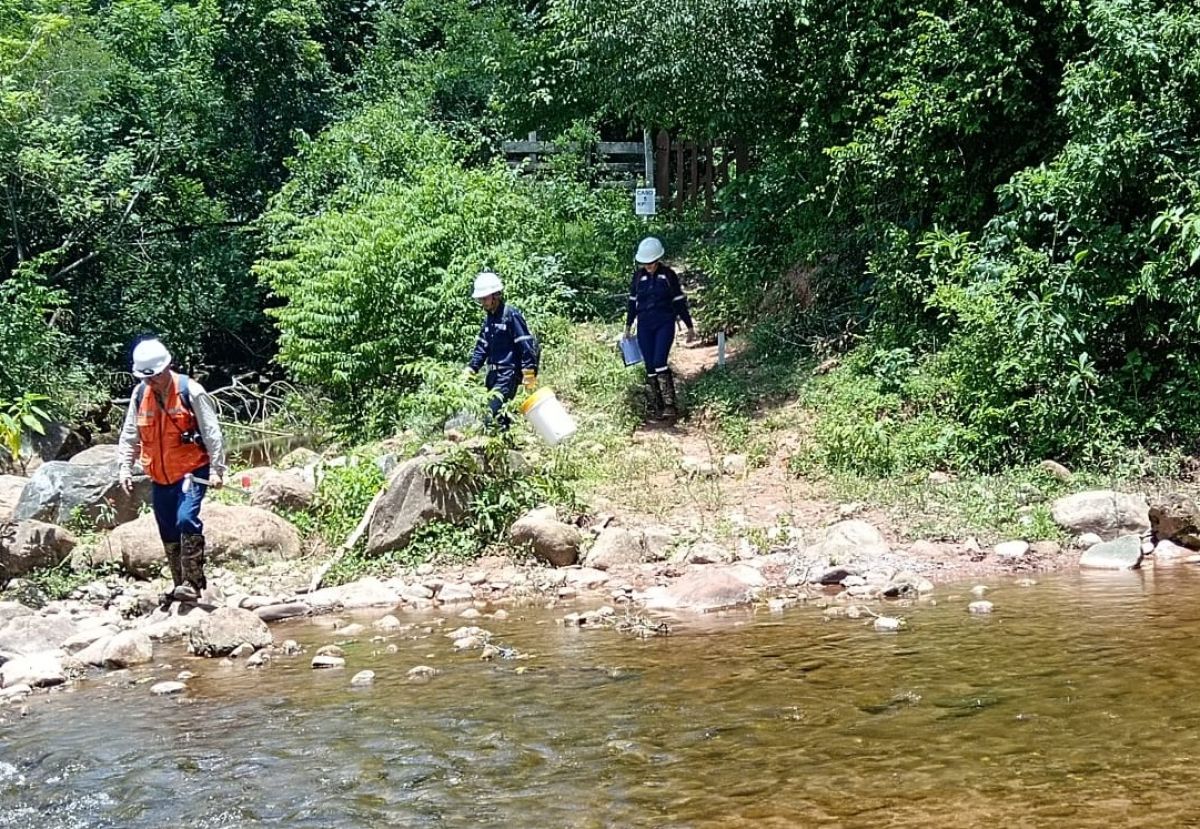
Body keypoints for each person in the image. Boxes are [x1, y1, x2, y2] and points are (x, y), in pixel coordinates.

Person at [116, 337, 226, 608]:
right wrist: (124, 467)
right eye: (146, 377)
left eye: (154, 376)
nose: (150, 382)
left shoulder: (191, 391)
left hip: (191, 471)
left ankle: (193, 582)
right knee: (166, 528)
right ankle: (180, 585)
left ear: (167, 367)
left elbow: (212, 433)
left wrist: (217, 469)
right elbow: (130, 434)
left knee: (185, 518)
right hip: (159, 476)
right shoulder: (140, 394)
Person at [624, 237, 696, 421]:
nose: (648, 266)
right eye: (645, 263)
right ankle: (658, 405)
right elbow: (632, 303)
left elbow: (679, 301)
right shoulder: (638, 278)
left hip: (664, 323)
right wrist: (628, 326)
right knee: (649, 365)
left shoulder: (668, 275)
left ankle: (670, 404)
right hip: (644, 325)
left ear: (658, 260)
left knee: (659, 361)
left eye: (651, 262)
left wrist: (689, 326)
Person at [462, 271, 540, 428]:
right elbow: (482, 347)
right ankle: (506, 442)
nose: (482, 302)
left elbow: (526, 345)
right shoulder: (489, 319)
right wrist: (471, 368)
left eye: (485, 298)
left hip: (508, 374)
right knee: (500, 419)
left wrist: (529, 372)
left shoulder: (511, 315)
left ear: (496, 295)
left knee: (491, 416)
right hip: (492, 375)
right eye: (480, 299)